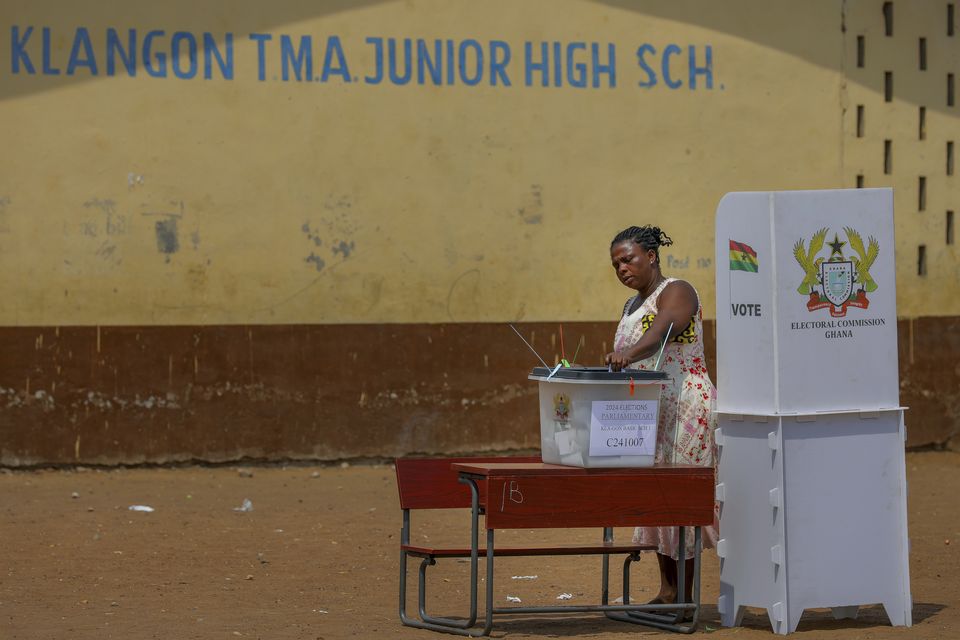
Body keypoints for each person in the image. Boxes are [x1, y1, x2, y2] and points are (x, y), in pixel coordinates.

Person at [604, 225, 719, 606]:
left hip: (687, 406)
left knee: (680, 498)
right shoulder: (629, 306)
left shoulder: (677, 290)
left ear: (651, 256)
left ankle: (685, 596)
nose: (622, 268)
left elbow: (667, 328)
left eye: (628, 259)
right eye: (616, 263)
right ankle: (667, 590)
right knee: (656, 499)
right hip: (649, 412)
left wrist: (629, 354)